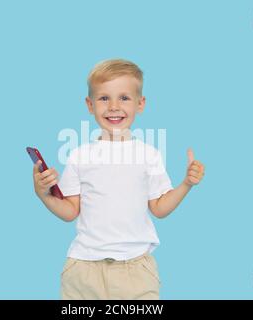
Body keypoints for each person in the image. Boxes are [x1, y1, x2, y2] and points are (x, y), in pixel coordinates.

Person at [32, 58, 205, 299]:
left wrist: (186, 184)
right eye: (104, 98)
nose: (114, 106)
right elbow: (70, 211)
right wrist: (43, 194)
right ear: (90, 105)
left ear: (140, 103)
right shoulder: (79, 156)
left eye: (124, 98)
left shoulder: (149, 155)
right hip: (84, 268)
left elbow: (160, 207)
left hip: (135, 269)